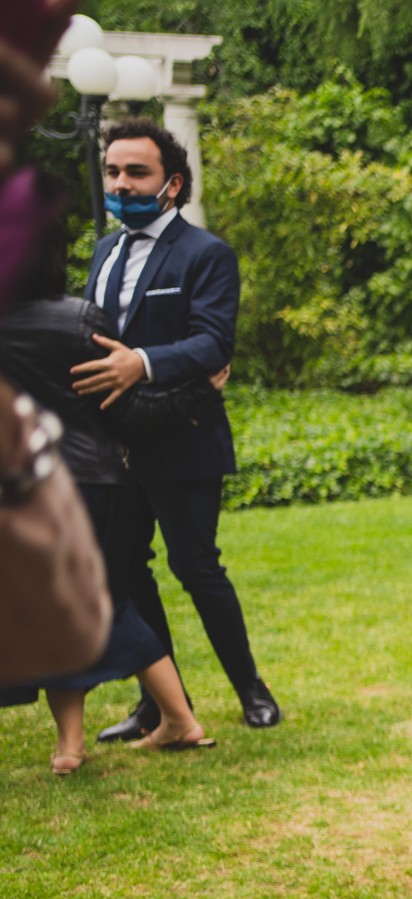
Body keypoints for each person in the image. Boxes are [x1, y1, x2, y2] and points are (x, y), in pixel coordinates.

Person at [78, 118, 283, 740]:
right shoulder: (104, 251)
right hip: (113, 445)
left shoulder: (205, 253)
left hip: (185, 437)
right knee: (125, 570)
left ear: (171, 184)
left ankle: (250, 688)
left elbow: (212, 342)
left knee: (196, 567)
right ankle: (162, 704)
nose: (121, 184)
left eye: (136, 173)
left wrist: (140, 363)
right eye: (112, 171)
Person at [1, 185, 216, 767]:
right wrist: (195, 394)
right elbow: (123, 410)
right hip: (92, 483)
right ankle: (168, 721)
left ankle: (90, 739)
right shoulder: (77, 321)